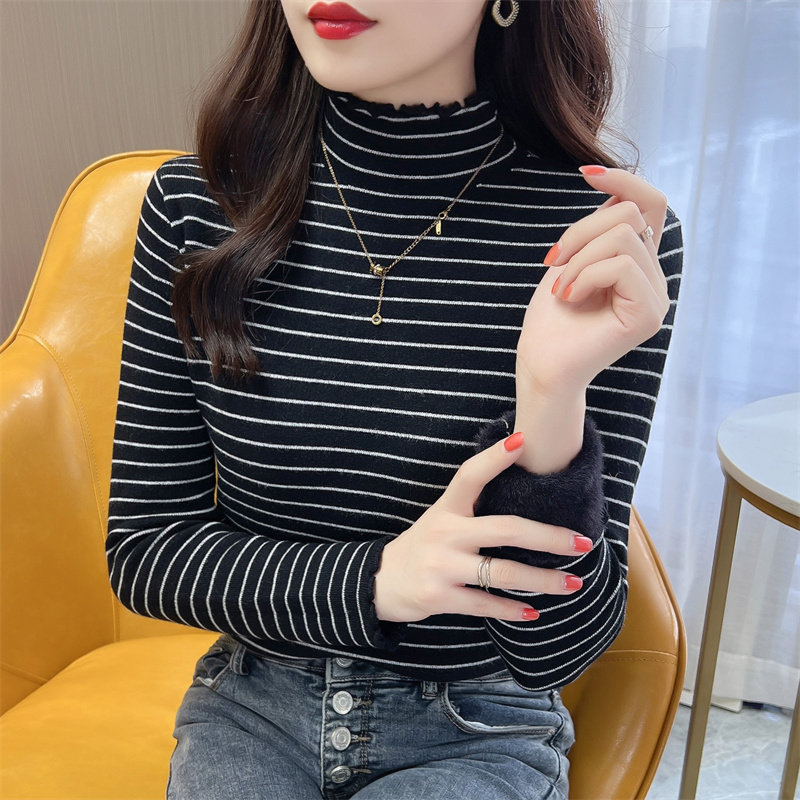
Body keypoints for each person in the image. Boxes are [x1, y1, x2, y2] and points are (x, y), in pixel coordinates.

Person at [105, 0, 683, 797]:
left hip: (476, 730)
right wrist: (378, 579)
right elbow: (146, 551)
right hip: (252, 708)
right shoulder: (195, 206)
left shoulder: (601, 242)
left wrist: (551, 394)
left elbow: (560, 650)